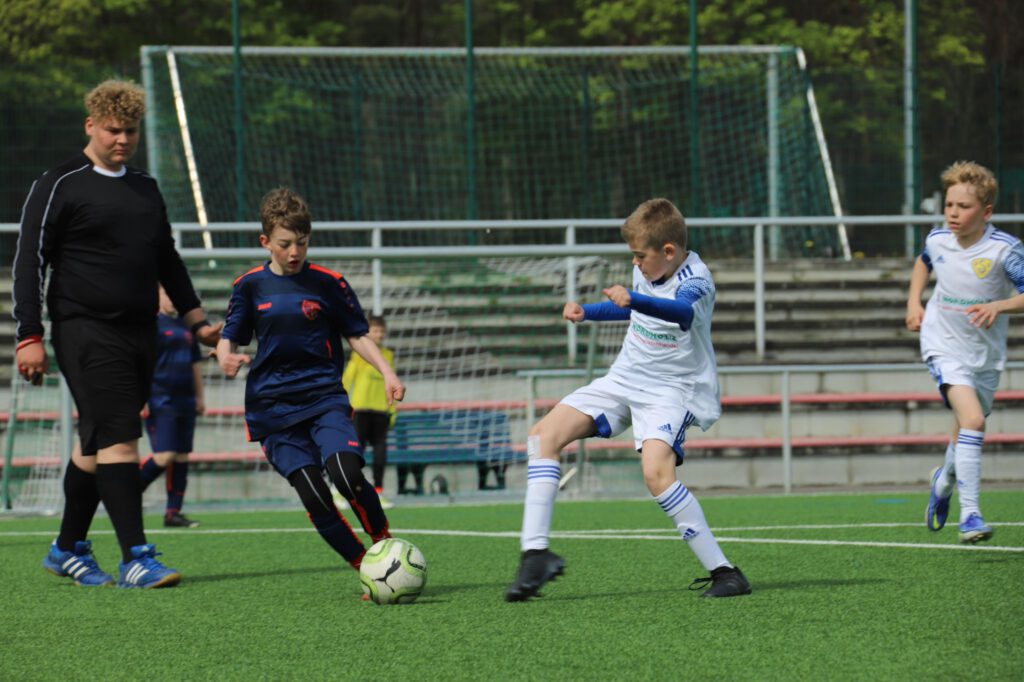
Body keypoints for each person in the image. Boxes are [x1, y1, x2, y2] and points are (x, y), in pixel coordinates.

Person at [13, 79, 221, 589]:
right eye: (112, 130)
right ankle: (136, 557)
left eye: (130, 131)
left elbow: (166, 259)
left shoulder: (144, 187)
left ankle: (66, 548)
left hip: (139, 332)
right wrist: (29, 334)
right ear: (90, 126)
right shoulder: (60, 182)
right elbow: (28, 260)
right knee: (123, 441)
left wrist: (197, 321)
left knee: (96, 445)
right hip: (84, 328)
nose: (122, 139)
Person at [505, 198, 751, 602]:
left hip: (673, 389)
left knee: (656, 474)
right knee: (542, 436)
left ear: (668, 251)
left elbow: (679, 313)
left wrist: (633, 300)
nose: (635, 264)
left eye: (640, 256)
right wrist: (589, 312)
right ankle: (535, 553)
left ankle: (726, 572)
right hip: (625, 377)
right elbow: (634, 312)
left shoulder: (697, 279)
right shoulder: (651, 267)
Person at [215, 187, 405, 582]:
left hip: (323, 398)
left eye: (301, 243)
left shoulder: (329, 283)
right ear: (265, 241)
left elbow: (357, 334)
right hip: (273, 408)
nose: (294, 252)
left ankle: (384, 544)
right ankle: (367, 568)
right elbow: (228, 334)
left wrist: (388, 373)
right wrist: (224, 354)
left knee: (346, 472)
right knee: (316, 496)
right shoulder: (249, 285)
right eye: (285, 244)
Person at [906, 161, 1024, 544]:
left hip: (985, 355)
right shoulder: (939, 239)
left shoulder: (1005, 250)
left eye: (964, 207)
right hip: (942, 343)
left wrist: (1000, 306)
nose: (953, 213)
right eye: (949, 205)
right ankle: (971, 514)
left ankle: (944, 480)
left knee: (965, 426)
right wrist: (914, 303)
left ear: (986, 212)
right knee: (973, 419)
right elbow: (923, 264)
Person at [139, 286, 206, 528]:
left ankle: (173, 513)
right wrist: (141, 396)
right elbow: (141, 362)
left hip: (185, 399)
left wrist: (200, 396)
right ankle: (130, 490)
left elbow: (194, 363)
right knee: (164, 455)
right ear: (156, 294)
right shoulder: (150, 324)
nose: (172, 299)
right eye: (168, 293)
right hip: (160, 398)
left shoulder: (185, 325)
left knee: (181, 456)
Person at [342, 314, 398, 509]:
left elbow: (391, 382)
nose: (379, 334)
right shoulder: (359, 355)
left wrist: (393, 410)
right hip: (361, 410)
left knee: (381, 454)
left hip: (381, 411)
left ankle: (379, 492)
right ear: (368, 333)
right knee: (357, 453)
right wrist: (340, 403)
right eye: (375, 330)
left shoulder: (388, 355)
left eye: (382, 331)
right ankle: (348, 490)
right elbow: (347, 379)